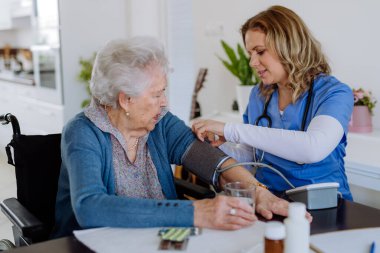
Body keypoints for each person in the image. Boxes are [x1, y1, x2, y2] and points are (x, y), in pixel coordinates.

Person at [51, 36, 291, 238]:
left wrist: (258, 191)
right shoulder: (83, 132)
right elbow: (90, 207)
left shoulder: (160, 122)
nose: (164, 102)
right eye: (156, 95)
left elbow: (213, 162)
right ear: (126, 100)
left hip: (161, 240)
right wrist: (197, 212)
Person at [192, 5, 354, 200]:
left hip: (325, 205)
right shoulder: (259, 95)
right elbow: (252, 157)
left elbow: (313, 148)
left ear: (288, 47)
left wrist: (229, 129)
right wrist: (216, 142)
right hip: (269, 201)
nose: (252, 62)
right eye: (250, 53)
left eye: (260, 52)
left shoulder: (334, 93)